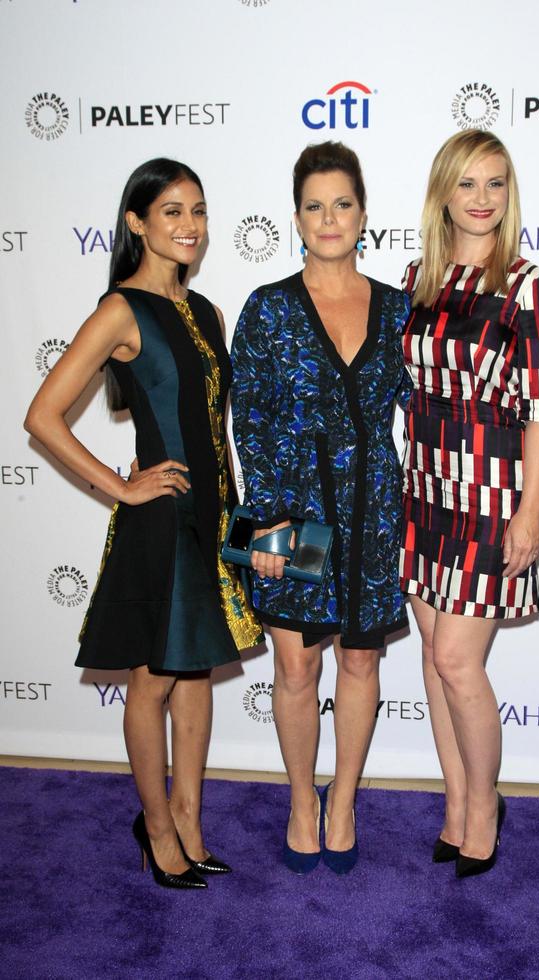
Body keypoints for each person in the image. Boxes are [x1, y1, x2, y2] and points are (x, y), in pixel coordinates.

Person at [24, 158, 262, 889]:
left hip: (215, 517)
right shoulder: (120, 310)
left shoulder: (210, 312)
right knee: (152, 682)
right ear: (137, 222)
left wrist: (242, 521)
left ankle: (190, 819)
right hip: (160, 523)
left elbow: (212, 427)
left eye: (198, 210)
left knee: (195, 675)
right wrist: (121, 489)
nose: (189, 225)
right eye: (171, 212)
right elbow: (43, 416)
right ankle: (156, 829)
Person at [231, 141, 410, 875]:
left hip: (372, 513)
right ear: (297, 218)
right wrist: (267, 528)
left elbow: (423, 406)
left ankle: (345, 802)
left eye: (343, 203)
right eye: (315, 205)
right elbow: (251, 422)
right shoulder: (268, 309)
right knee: (297, 668)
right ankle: (303, 799)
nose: (329, 218)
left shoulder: (398, 308)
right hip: (292, 518)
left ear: (363, 214)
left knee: (361, 664)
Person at [400, 130, 539, 878]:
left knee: (459, 663)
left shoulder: (530, 288)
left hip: (490, 499)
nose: (483, 199)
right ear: (443, 194)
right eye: (468, 184)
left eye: (496, 184)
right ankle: (457, 805)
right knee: (435, 664)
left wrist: (531, 512)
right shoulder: (417, 280)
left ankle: (486, 806)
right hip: (425, 490)